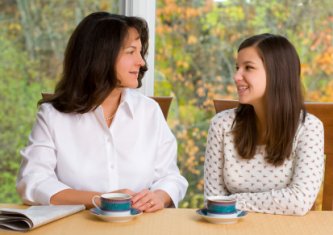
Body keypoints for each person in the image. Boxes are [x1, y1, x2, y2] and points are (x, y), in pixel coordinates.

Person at [17, 12, 188, 212]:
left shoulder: (149, 111)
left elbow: (171, 177)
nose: (141, 62)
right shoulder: (52, 115)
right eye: (131, 52)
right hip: (75, 227)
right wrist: (102, 199)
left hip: (139, 226)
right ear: (101, 55)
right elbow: (33, 181)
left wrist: (159, 196)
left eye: (140, 52)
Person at [204, 33, 324, 215]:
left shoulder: (309, 128)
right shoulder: (221, 125)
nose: (237, 76)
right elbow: (212, 200)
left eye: (248, 68)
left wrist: (233, 201)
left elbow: (300, 200)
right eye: (237, 67)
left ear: (278, 74)